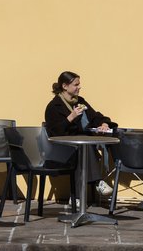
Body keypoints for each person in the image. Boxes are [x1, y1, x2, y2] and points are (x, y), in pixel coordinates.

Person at [44, 71, 117, 201]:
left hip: (80, 147)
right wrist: (70, 117)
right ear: (65, 86)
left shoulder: (80, 102)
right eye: (76, 84)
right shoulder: (53, 107)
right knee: (83, 146)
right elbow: (54, 132)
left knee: (83, 145)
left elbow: (95, 117)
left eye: (79, 84)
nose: (79, 87)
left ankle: (78, 198)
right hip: (62, 149)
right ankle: (97, 183)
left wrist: (104, 123)